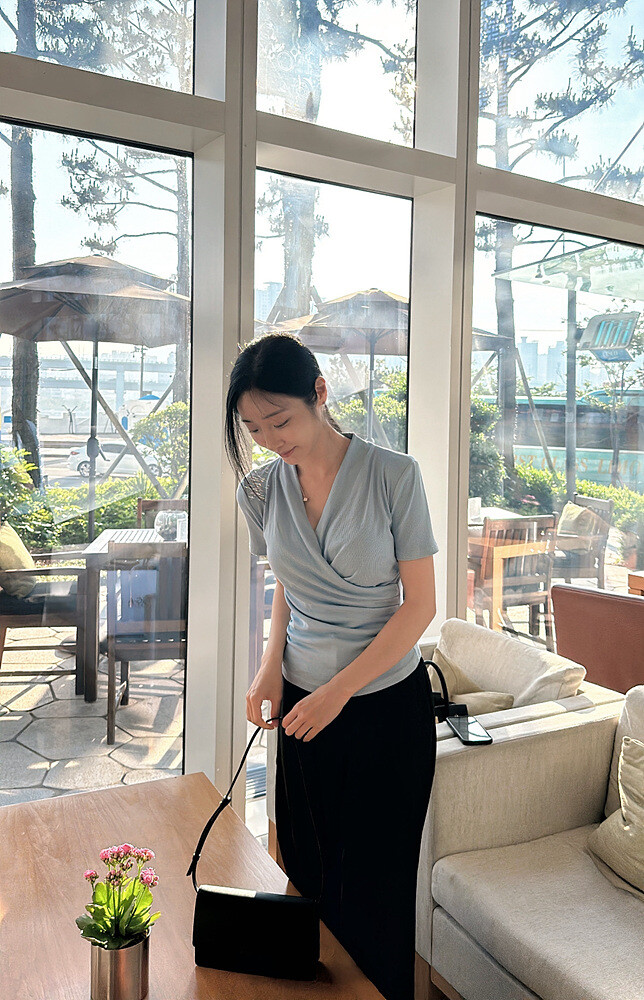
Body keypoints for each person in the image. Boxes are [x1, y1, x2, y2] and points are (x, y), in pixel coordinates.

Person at [226, 333, 437, 1000]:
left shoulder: (394, 475)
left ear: (320, 393)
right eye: (254, 429)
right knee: (308, 875)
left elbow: (419, 606)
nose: (270, 440)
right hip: (302, 704)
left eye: (280, 420)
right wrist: (270, 665)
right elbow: (288, 582)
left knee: (375, 892)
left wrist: (339, 691)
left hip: (384, 709)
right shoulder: (260, 490)